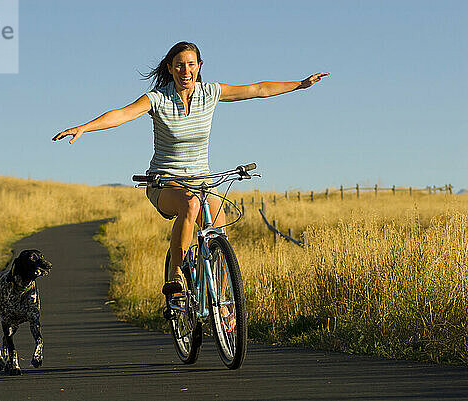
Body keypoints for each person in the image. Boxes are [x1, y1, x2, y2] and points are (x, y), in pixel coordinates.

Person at [53, 41, 329, 295]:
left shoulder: (210, 93)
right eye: (180, 65)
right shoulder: (157, 99)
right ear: (171, 69)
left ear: (199, 67)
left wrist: (300, 85)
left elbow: (257, 90)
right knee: (190, 204)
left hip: (201, 181)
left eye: (192, 64)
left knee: (220, 235)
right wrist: (84, 128)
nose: (186, 70)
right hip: (165, 183)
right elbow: (121, 114)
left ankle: (223, 306)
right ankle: (175, 273)